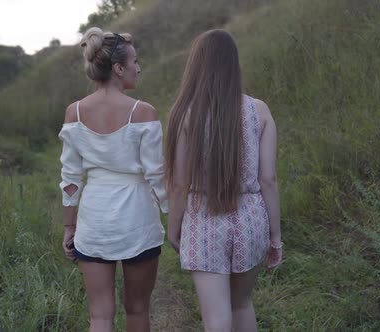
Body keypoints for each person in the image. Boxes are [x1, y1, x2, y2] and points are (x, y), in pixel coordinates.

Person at [165, 29, 283, 332]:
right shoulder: (260, 111)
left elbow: (179, 184)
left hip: (204, 219)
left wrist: (174, 227)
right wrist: (276, 237)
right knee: (242, 304)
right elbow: (268, 180)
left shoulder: (185, 114)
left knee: (216, 318)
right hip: (250, 218)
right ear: (234, 63)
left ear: (196, 65)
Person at [58, 27, 168, 332]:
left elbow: (70, 179)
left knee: (100, 316)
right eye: (134, 61)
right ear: (118, 69)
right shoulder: (143, 113)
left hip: (95, 222)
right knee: (136, 311)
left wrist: (70, 226)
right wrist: (177, 218)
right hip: (138, 221)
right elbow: (157, 176)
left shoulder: (74, 113)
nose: (138, 67)